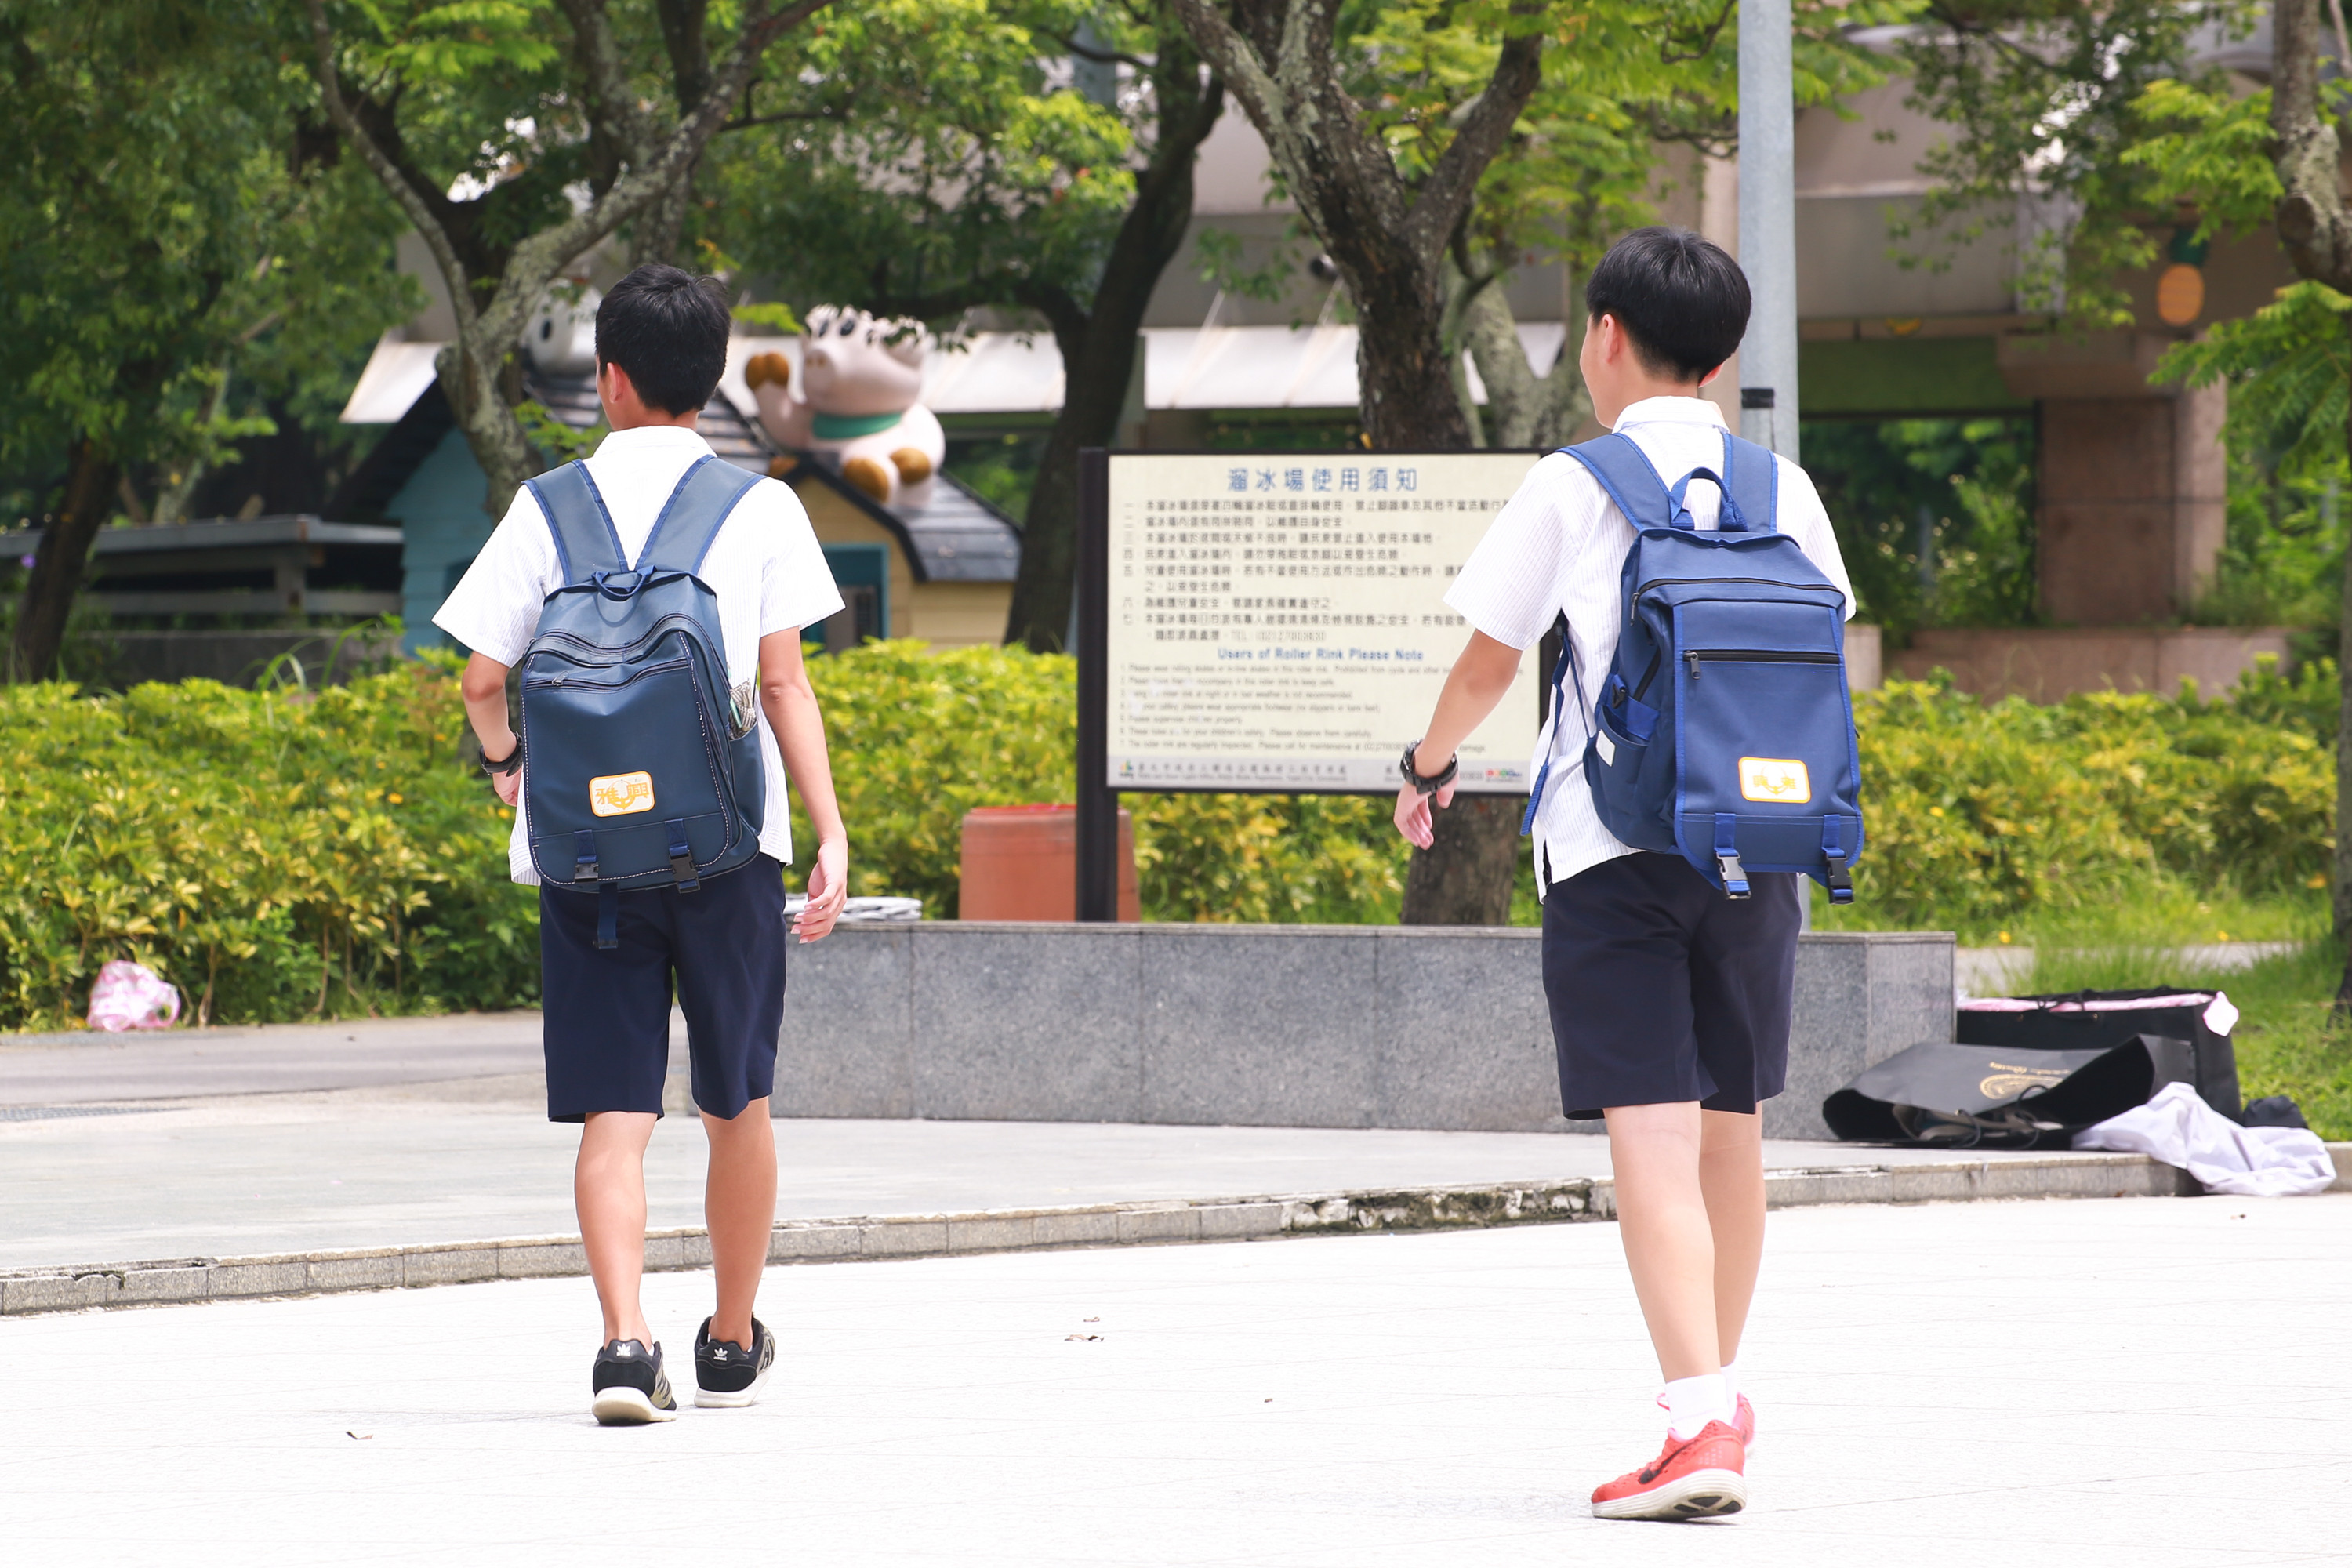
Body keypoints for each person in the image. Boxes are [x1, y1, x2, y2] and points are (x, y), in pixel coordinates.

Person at [1392, 227, 1854, 1521]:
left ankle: (1699, 1421)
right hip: (1760, 846)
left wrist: (1426, 769)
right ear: (1725, 355)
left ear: (1604, 336)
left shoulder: (1572, 484)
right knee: (1734, 1134)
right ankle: (1716, 1396)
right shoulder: (1784, 488)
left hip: (1612, 854)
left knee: (1649, 1140)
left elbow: (1492, 663)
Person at [437, 263, 851, 1425]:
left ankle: (625, 1346)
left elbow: (478, 678)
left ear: (610, 381)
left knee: (616, 1114)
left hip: (582, 860)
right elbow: (783, 683)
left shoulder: (544, 506)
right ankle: (728, 1338)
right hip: (726, 849)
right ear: (707, 383)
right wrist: (830, 832)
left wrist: (513, 771)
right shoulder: (760, 506)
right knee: (737, 1104)